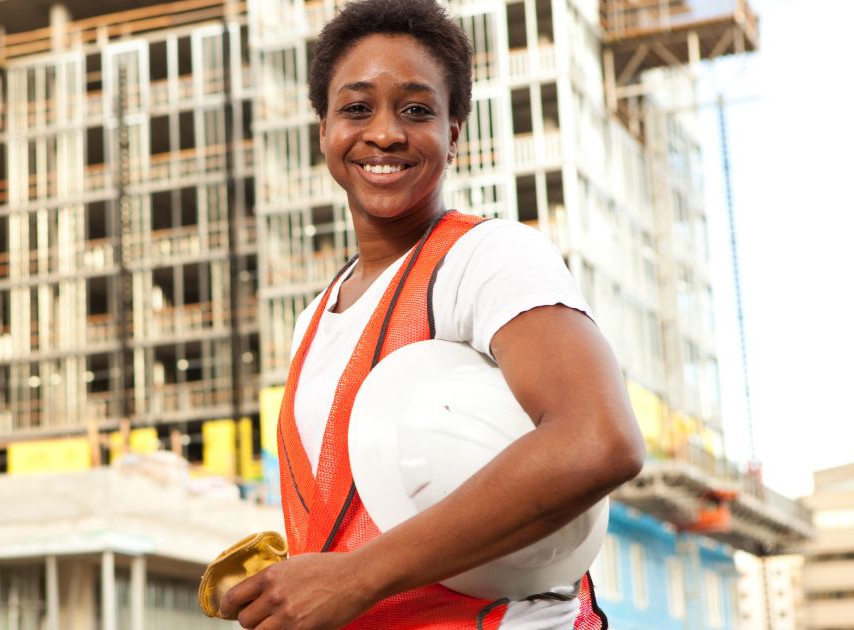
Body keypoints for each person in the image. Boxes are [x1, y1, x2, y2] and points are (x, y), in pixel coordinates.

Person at [217, 0, 645, 628]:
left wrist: (357, 575)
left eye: (416, 110)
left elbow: (597, 441)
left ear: (453, 131)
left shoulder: (489, 257)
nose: (385, 132)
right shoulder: (314, 318)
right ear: (324, 129)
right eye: (356, 108)